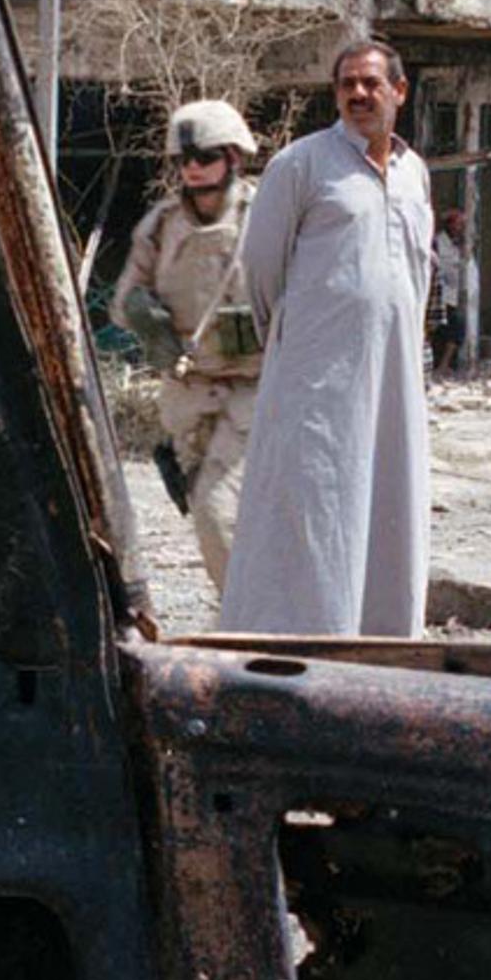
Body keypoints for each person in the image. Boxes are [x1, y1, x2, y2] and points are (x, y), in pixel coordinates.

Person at [218, 42, 435, 637]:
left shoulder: (416, 174)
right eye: (346, 85)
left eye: (369, 83)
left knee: (390, 492)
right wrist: (297, 344)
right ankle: (297, 632)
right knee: (312, 495)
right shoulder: (301, 165)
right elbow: (261, 269)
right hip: (318, 373)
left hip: (394, 376)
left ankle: (385, 634)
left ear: (399, 90)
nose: (358, 94)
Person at [114, 99, 261, 592]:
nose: (194, 169)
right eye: (186, 160)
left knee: (221, 514)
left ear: (233, 158)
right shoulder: (160, 226)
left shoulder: (263, 218)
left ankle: (249, 625)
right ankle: (245, 615)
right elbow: (123, 301)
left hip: (255, 394)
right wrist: (145, 319)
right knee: (206, 512)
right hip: (189, 396)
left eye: (207, 157)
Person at [429, 206, 477, 373]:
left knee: (456, 329)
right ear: (449, 225)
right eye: (458, 224)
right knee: (438, 329)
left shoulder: (459, 244)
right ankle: (438, 365)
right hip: (439, 292)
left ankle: (444, 365)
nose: (460, 228)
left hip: (453, 293)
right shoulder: (438, 241)